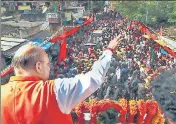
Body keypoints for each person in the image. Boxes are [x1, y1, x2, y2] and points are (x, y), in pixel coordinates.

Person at [1, 34, 123, 124]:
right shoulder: (54, 91)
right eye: (48, 64)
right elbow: (94, 78)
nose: (50, 68)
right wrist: (108, 50)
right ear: (38, 66)